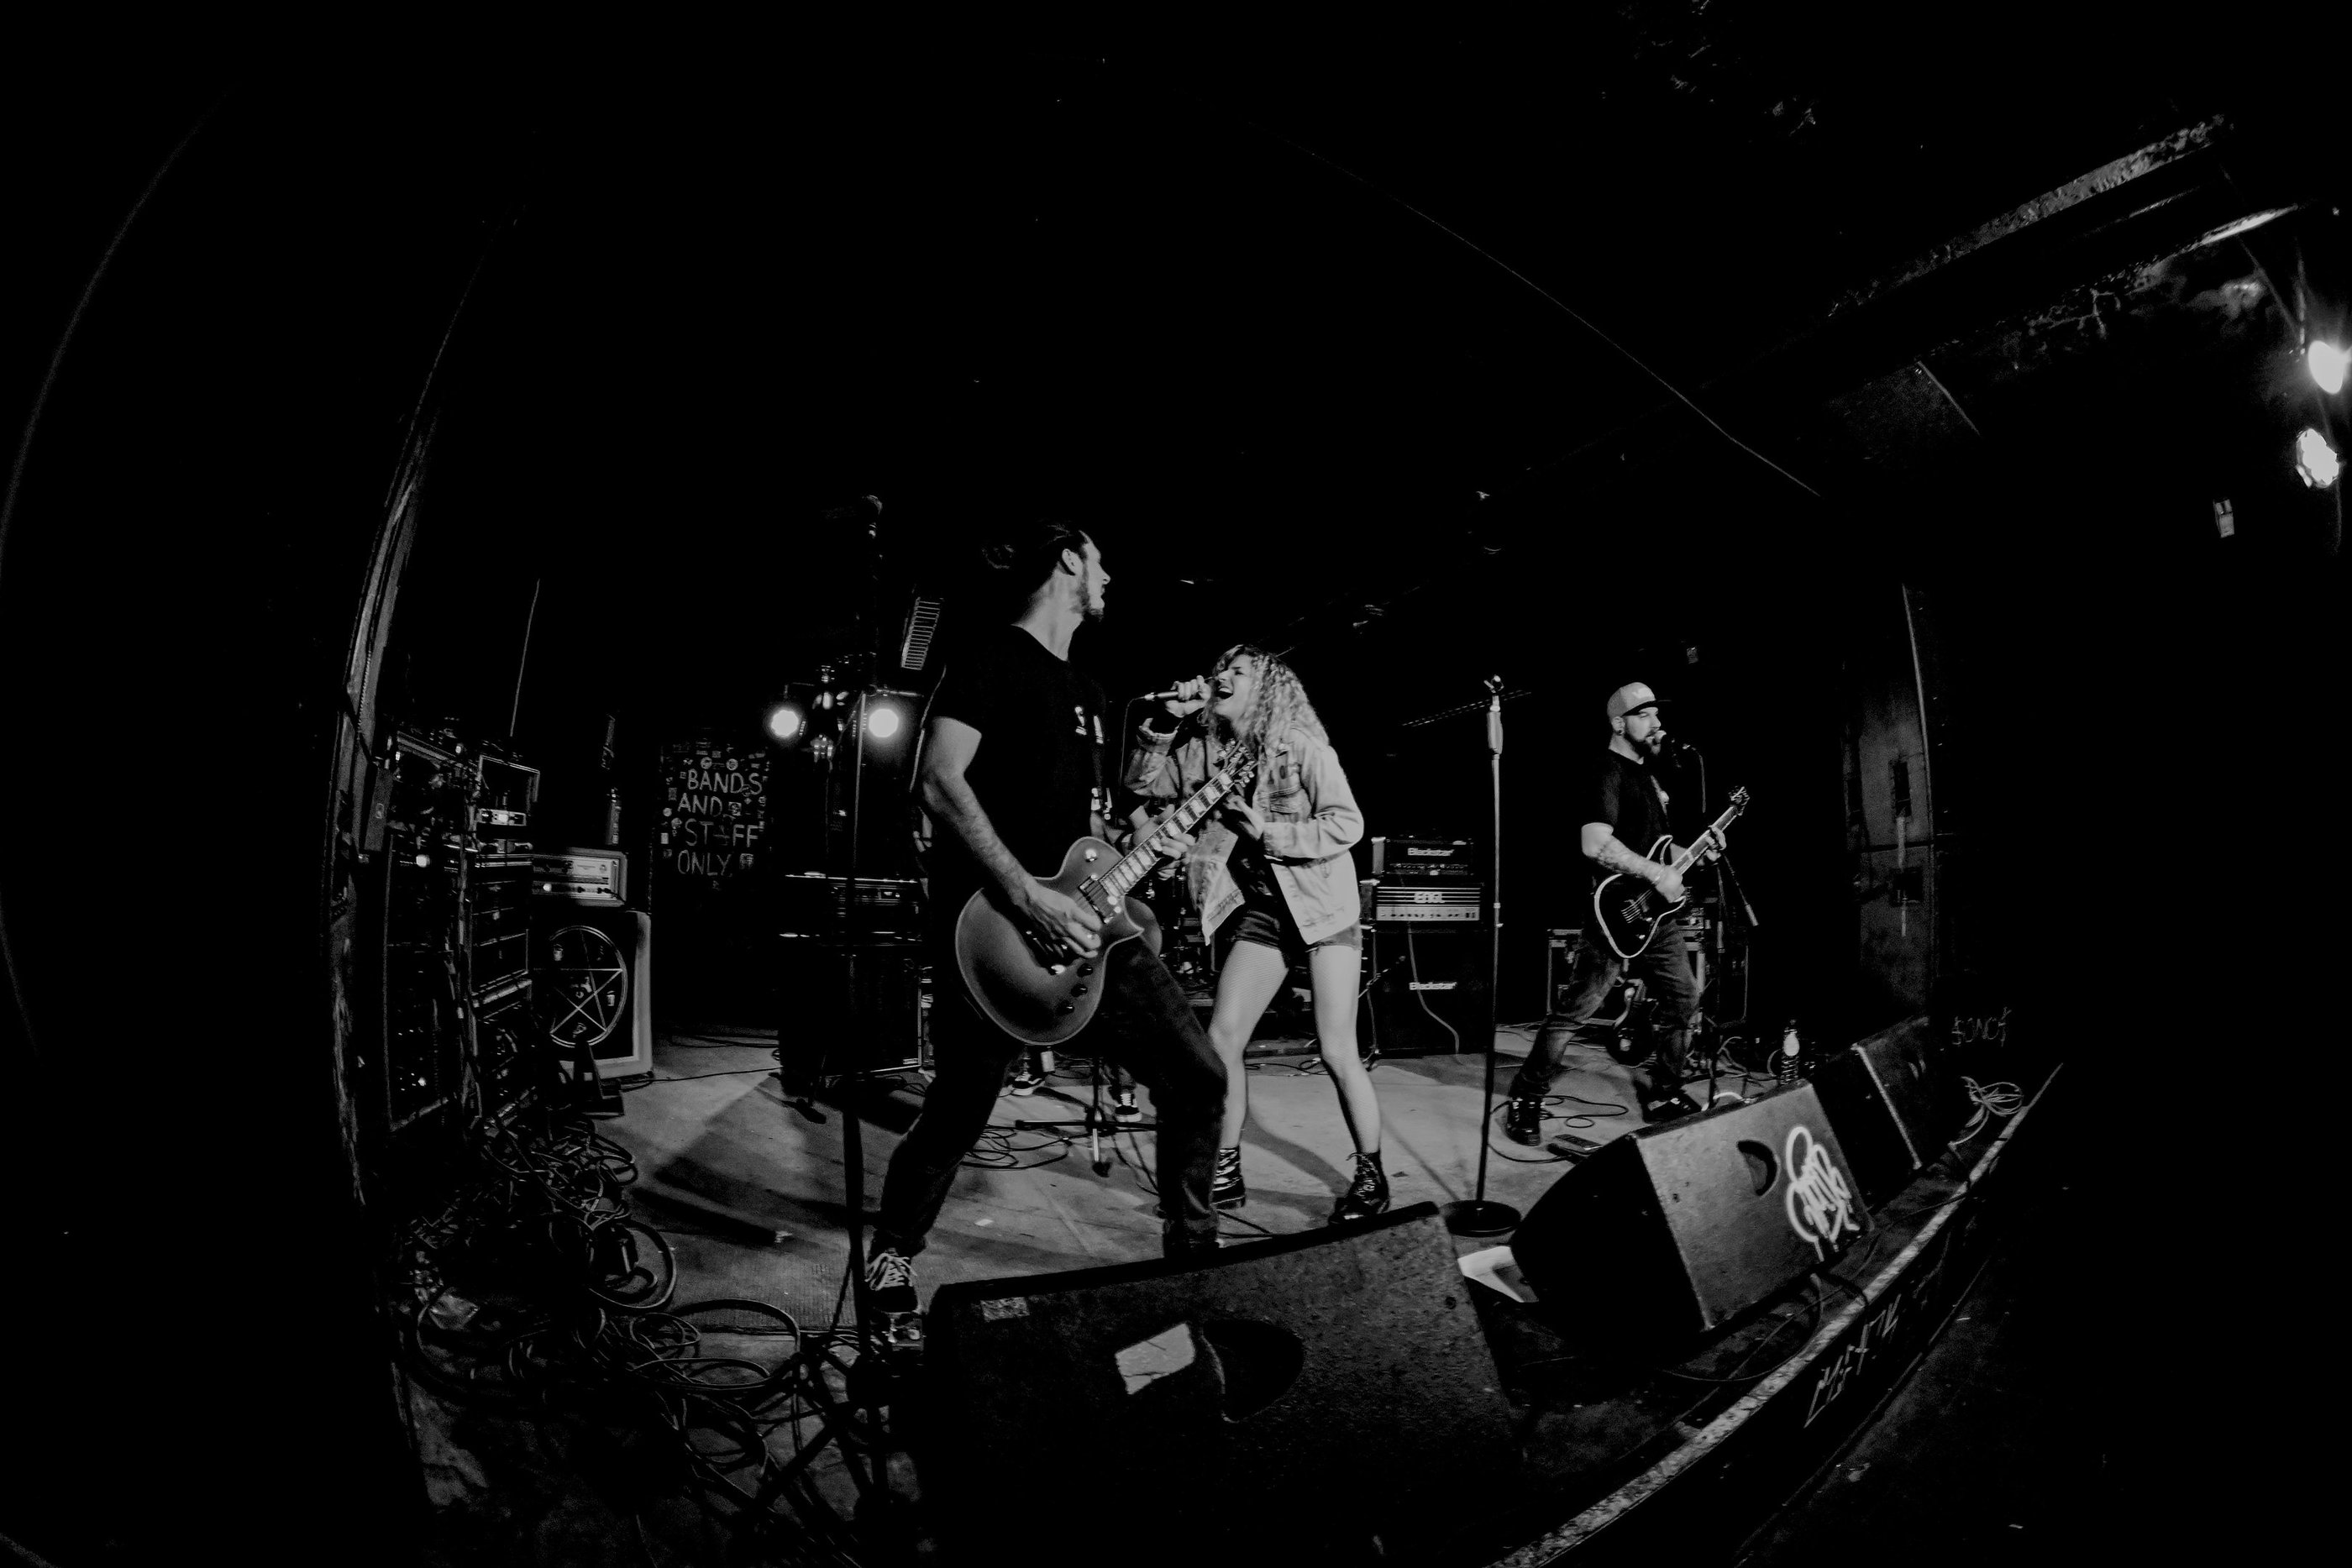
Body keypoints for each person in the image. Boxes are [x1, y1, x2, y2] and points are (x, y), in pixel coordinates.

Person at [865, 522, 1228, 1340]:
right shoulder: (990, 657)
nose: (1110, 576)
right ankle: (892, 1253)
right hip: (996, 934)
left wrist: (1146, 846)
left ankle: (1194, 1265)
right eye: (1101, 560)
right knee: (958, 1112)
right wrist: (1027, 895)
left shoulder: (1090, 693)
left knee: (1198, 1076)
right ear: (1068, 558)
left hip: (1088, 931)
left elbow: (1089, 836)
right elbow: (938, 781)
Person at [1124, 646, 1385, 1224]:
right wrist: (1165, 719)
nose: (1222, 676)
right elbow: (1138, 784)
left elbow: (1348, 823)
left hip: (1322, 907)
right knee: (1223, 1039)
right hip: (1264, 912)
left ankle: (1371, 1174)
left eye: (1238, 672)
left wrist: (1269, 832)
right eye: (1222, 669)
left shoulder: (1301, 744)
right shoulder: (1209, 751)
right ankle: (1225, 1167)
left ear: (1265, 689)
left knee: (1337, 1049)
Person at [1504, 680, 1711, 1142]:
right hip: (1614, 917)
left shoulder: (1649, 778)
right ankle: (1526, 1095)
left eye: (1658, 714)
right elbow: (1594, 843)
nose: (1657, 723)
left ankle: (1664, 1090)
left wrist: (1695, 853)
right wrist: (1657, 874)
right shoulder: (1605, 770)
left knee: (1684, 999)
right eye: (1645, 715)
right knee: (1575, 1012)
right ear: (1619, 724)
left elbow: (1658, 848)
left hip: (1656, 918)